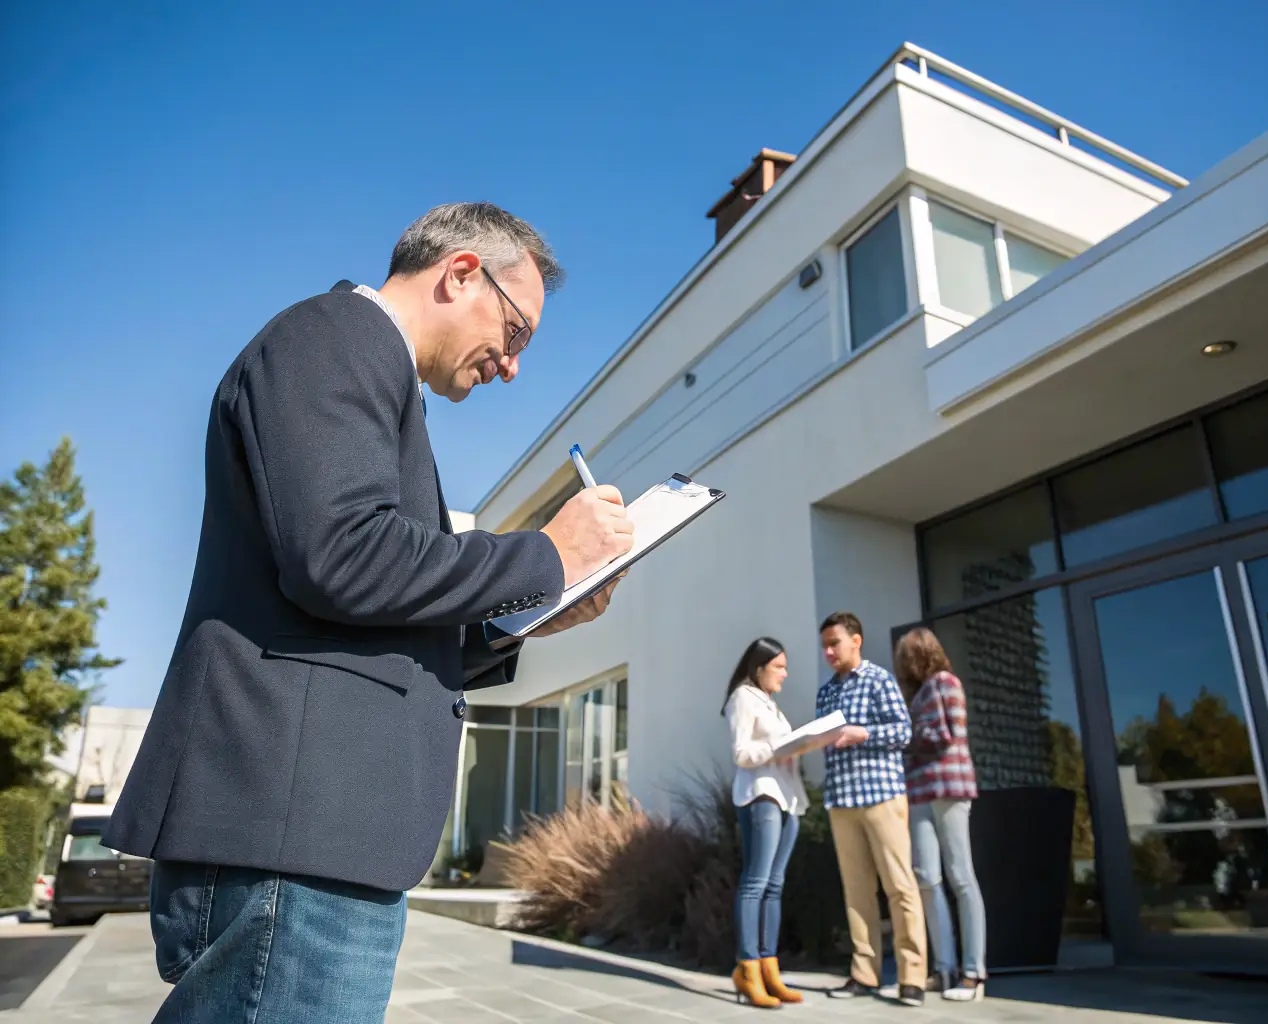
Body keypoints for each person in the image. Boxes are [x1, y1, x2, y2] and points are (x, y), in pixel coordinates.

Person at [103, 203, 635, 1023]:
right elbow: (341, 555)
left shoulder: (370, 371)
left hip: (314, 833)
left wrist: (524, 618)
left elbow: (361, 601)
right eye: (517, 331)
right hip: (292, 825)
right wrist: (544, 554)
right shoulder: (336, 336)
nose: (512, 365)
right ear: (461, 273)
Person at [815, 611, 929, 1008]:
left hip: (882, 797)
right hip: (841, 801)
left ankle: (912, 977)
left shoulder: (880, 680)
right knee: (856, 893)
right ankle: (864, 974)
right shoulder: (825, 693)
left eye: (835, 643)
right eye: (824, 645)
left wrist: (863, 732)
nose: (828, 651)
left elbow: (903, 731)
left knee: (900, 887)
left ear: (856, 640)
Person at [895, 627, 987, 1002]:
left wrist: (904, 737)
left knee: (961, 877)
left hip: (949, 788)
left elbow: (947, 734)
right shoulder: (917, 695)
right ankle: (944, 969)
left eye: (904, 656)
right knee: (927, 879)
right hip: (919, 792)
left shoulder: (946, 683)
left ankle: (973, 974)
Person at [723, 637, 807, 1009]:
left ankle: (770, 968)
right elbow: (742, 752)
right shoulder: (743, 697)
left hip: (788, 798)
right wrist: (781, 748)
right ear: (759, 667)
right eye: (780, 667)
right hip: (761, 796)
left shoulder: (770, 704)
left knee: (774, 886)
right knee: (755, 884)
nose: (785, 674)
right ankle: (748, 969)